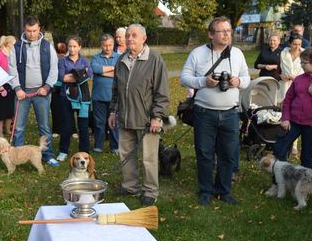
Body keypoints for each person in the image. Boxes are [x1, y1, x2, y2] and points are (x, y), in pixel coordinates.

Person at [180, 16, 250, 206]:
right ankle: (205, 191)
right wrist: (204, 81)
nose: (227, 34)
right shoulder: (197, 53)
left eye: (229, 31)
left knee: (227, 154)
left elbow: (247, 78)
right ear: (211, 34)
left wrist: (238, 81)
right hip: (204, 113)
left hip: (230, 113)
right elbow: (184, 78)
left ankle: (224, 191)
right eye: (222, 31)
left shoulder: (237, 54)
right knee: (204, 153)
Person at [109, 24, 170, 206]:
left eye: (134, 35)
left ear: (144, 38)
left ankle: (150, 191)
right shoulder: (121, 60)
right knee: (125, 155)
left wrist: (157, 116)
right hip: (124, 118)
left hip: (146, 120)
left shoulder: (155, 59)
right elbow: (116, 90)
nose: (129, 39)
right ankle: (130, 187)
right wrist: (113, 111)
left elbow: (162, 92)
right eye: (127, 35)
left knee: (149, 158)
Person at [8, 15, 60, 166]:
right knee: (18, 127)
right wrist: (17, 88)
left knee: (44, 126)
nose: (32, 34)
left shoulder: (46, 46)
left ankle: (48, 155)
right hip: (22, 93)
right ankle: (17, 156)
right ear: (24, 29)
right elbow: (12, 69)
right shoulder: (16, 47)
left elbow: (53, 69)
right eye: (29, 31)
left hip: (41, 93)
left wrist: (47, 87)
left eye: (34, 31)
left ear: (39, 29)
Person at [56, 36, 93, 161]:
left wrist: (72, 75)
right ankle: (63, 150)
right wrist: (79, 74)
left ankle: (84, 150)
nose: (72, 49)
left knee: (83, 125)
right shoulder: (62, 61)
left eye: (75, 46)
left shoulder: (85, 61)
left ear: (80, 47)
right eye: (70, 46)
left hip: (82, 98)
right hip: (65, 97)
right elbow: (61, 77)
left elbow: (89, 75)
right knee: (66, 125)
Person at [91, 33, 120, 153]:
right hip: (98, 96)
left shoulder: (119, 57)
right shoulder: (96, 57)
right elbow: (95, 69)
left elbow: (120, 73)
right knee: (99, 123)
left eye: (110, 45)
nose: (107, 48)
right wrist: (113, 68)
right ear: (101, 45)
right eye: (105, 45)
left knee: (114, 123)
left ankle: (115, 146)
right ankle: (98, 146)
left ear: (113, 45)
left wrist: (102, 72)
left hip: (114, 97)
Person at [279, 34, 305, 156]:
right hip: (284, 85)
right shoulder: (283, 53)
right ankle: (280, 138)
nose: (297, 47)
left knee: (295, 114)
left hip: (299, 86)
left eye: (299, 44)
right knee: (282, 112)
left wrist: (298, 78)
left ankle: (294, 144)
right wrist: (281, 75)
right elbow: (277, 69)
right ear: (289, 43)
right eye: (294, 44)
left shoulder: (305, 54)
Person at [51, 41, 68, 138]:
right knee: (56, 108)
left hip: (65, 86)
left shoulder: (67, 60)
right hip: (56, 87)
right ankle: (56, 129)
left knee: (66, 109)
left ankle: (68, 129)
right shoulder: (54, 60)